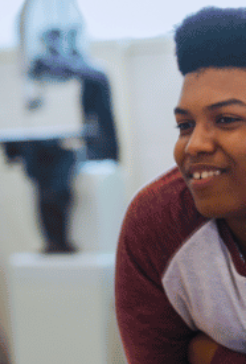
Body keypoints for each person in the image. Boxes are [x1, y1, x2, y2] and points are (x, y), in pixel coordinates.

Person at [115, 6, 246, 364]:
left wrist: (209, 355)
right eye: (184, 125)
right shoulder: (157, 223)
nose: (195, 145)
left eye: (226, 119)